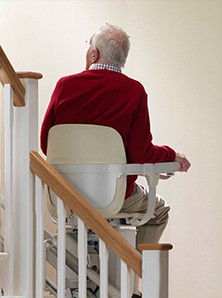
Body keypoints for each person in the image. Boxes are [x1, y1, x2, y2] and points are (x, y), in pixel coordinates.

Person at [40, 23, 191, 250]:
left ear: (94, 54)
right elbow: (141, 153)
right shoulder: (134, 91)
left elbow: (46, 144)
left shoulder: (65, 85)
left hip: (65, 194)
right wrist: (172, 156)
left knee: (83, 217)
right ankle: (133, 271)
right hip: (112, 196)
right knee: (159, 211)